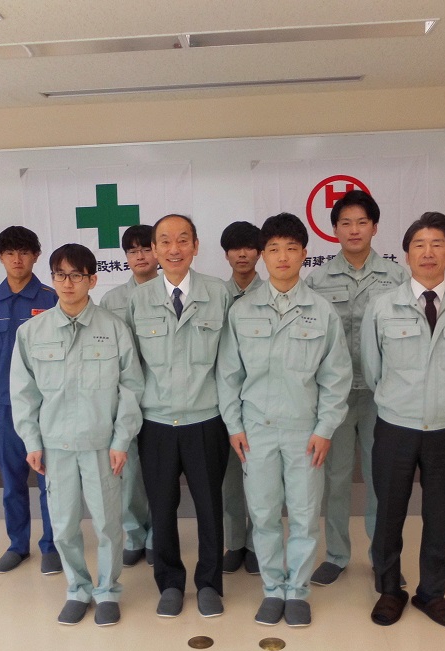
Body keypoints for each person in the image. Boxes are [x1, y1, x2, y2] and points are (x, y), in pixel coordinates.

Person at [218, 213, 351, 627]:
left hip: (303, 432)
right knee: (263, 514)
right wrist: (234, 426)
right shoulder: (242, 312)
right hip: (256, 431)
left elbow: (336, 377)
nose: (282, 257)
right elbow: (228, 375)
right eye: (273, 248)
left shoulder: (322, 311)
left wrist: (325, 429)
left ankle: (298, 592)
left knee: (305, 515)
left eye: (291, 248)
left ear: (304, 254)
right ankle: (273, 588)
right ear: (263, 254)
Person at [362, 212, 445, 630]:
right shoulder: (383, 307)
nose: (428, 252)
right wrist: (397, 402)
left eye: (437, 245)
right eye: (419, 244)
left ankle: (432, 593)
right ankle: (389, 590)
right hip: (395, 427)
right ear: (406, 255)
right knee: (388, 513)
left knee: (439, 515)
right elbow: (372, 368)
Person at [11, 244, 144, 626]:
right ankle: (78, 589)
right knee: (65, 526)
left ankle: (107, 591)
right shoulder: (32, 332)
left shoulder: (113, 329)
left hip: (101, 445)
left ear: (93, 280)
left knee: (107, 525)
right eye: (60, 275)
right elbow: (23, 393)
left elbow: (132, 388)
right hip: (56, 446)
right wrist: (32, 442)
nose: (68, 283)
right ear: (52, 279)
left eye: (77, 275)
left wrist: (121, 441)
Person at [128, 214, 231, 618]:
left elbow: (229, 363)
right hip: (155, 423)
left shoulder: (218, 293)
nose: (174, 249)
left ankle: (209, 583)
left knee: (209, 506)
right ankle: (169, 583)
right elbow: (130, 369)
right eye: (165, 241)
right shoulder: (138, 301)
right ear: (154, 249)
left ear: (196, 246)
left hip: (206, 420)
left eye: (183, 240)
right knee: (161, 507)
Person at [305, 189, 409, 586]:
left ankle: (382, 558)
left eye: (362, 222)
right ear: (334, 229)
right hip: (335, 397)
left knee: (382, 478)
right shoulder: (317, 280)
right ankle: (336, 554)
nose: (354, 230)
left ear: (375, 227)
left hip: (383, 396)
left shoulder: (397, 278)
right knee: (335, 478)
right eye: (345, 223)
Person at [0, 225, 61, 574]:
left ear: (36, 255)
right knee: (12, 482)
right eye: (10, 253)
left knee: (50, 481)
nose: (17, 259)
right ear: (0, 257)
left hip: (46, 407)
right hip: (6, 409)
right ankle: (17, 545)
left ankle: (52, 545)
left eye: (24, 252)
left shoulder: (52, 300)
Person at [99, 224, 158, 567]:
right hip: (126, 399)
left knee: (161, 474)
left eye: (146, 248)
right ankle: (135, 534)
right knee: (129, 474)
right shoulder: (112, 300)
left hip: (162, 398)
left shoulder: (172, 293)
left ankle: (158, 537)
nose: (140, 256)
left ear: (158, 252)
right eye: (132, 251)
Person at [217, 220, 265, 575]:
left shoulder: (273, 293)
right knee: (230, 478)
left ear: (260, 252)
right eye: (235, 248)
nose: (242, 254)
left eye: (249, 247)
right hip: (226, 398)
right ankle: (235, 542)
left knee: (263, 481)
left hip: (263, 401)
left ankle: (257, 544)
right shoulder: (216, 296)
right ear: (226, 254)